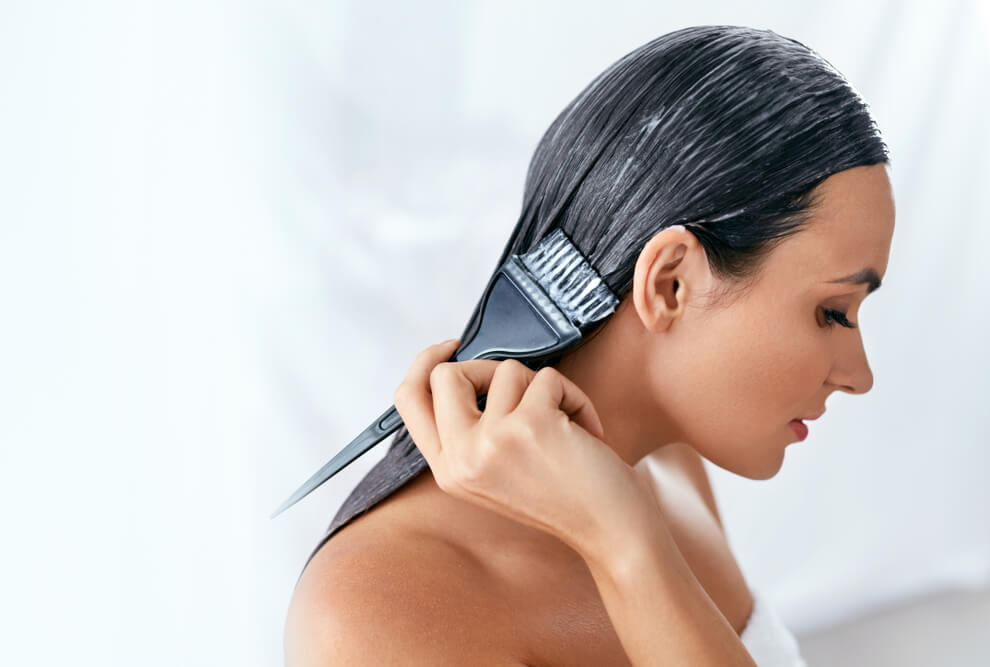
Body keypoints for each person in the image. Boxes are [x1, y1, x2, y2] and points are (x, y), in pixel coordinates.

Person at [284, 24, 894, 665]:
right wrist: (625, 544)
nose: (860, 376)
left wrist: (624, 535)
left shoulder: (667, 468)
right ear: (670, 283)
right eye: (832, 312)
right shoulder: (376, 616)